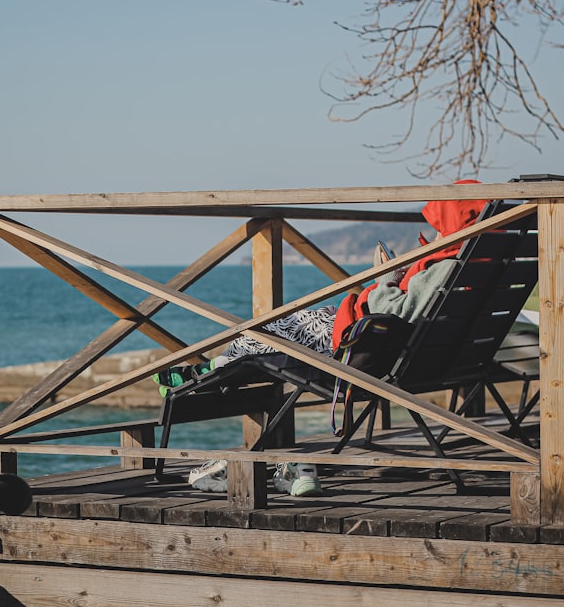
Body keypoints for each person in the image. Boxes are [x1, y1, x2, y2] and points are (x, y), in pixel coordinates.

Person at [154, 181, 488, 495]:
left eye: (440, 221)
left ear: (456, 218)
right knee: (275, 334)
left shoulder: (446, 264)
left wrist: (386, 276)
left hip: (359, 345)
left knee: (264, 332)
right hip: (398, 347)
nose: (435, 229)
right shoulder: (474, 260)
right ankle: (210, 367)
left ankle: (205, 371)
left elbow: (398, 311)